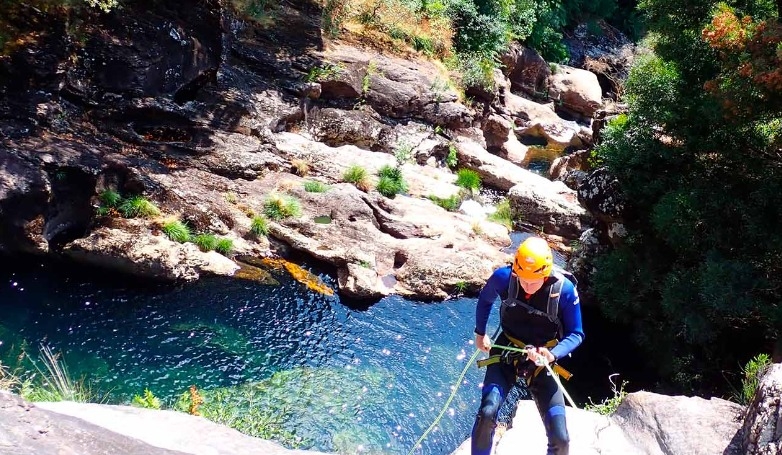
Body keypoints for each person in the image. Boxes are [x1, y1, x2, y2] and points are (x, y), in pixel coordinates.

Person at [471, 236, 584, 455]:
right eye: (522, 280)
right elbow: (485, 300)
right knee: (487, 413)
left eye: (533, 281)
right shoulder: (504, 278)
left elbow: (576, 333)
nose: (527, 286)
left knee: (561, 439)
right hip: (507, 349)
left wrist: (552, 354)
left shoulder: (565, 291)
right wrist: (480, 333)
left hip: (543, 360)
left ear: (546, 274)